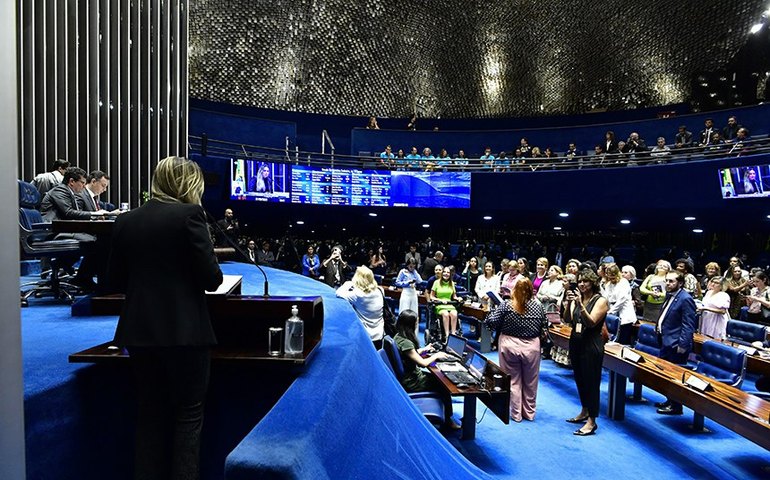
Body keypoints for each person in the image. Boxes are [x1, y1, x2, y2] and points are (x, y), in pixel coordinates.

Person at [106, 156, 223, 479]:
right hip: (186, 333)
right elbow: (211, 279)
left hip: (138, 332)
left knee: (150, 414)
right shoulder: (190, 215)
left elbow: (114, 280)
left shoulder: (126, 221)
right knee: (188, 414)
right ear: (189, 184)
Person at [484, 278, 546, 422]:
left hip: (509, 345)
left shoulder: (506, 305)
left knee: (513, 380)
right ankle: (529, 414)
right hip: (531, 347)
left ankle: (516, 414)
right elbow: (545, 326)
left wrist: (493, 310)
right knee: (531, 381)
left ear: (514, 290)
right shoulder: (539, 306)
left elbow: (490, 322)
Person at [392, 310, 460, 430]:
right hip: (412, 381)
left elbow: (408, 354)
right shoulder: (407, 343)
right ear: (410, 325)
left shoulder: (398, 337)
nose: (417, 323)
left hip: (409, 375)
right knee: (444, 385)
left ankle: (445, 414)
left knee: (438, 378)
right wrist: (436, 355)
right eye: (416, 321)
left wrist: (424, 349)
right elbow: (423, 363)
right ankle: (448, 420)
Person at [40, 166, 104, 290]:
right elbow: (69, 213)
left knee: (97, 240)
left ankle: (69, 269)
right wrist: (94, 214)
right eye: (82, 183)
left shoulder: (68, 192)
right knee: (97, 243)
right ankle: (82, 278)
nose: (84, 186)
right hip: (53, 233)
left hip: (61, 230)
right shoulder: (60, 191)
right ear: (71, 181)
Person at [564, 269, 609, 435]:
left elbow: (591, 323)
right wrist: (569, 303)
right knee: (580, 379)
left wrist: (581, 306)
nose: (582, 284)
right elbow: (568, 319)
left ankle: (592, 421)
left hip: (592, 344)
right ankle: (584, 411)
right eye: (580, 281)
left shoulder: (601, 300)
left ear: (593, 283)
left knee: (591, 383)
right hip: (576, 342)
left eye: (586, 282)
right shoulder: (577, 298)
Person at [655, 271, 697, 415]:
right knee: (666, 375)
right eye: (666, 281)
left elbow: (688, 324)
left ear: (680, 283)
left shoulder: (685, 299)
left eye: (671, 281)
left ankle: (676, 406)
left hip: (676, 345)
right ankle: (670, 400)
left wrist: (683, 345)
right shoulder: (671, 296)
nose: (667, 284)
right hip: (666, 341)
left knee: (675, 376)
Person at [336, 266, 385, 347]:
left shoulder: (357, 295)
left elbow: (338, 293)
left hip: (365, 336)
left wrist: (347, 284)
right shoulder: (380, 290)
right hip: (379, 334)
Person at [601, 263, 636, 344]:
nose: (611, 279)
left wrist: (610, 312)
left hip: (624, 315)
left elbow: (622, 300)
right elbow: (605, 298)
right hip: (612, 314)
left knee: (622, 341)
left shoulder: (624, 282)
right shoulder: (608, 284)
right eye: (609, 277)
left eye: (613, 277)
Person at [431, 266, 462, 339]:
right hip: (440, 305)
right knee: (446, 314)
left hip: (449, 304)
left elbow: (454, 296)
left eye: (448, 272)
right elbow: (432, 297)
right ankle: (447, 335)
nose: (446, 274)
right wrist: (440, 300)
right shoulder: (436, 282)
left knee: (454, 313)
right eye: (444, 272)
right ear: (442, 273)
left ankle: (453, 334)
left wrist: (458, 298)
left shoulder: (452, 283)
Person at [394, 257, 422, 336]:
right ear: (407, 265)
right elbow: (397, 282)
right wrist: (407, 283)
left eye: (414, 266)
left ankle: (413, 334)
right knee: (404, 312)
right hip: (406, 292)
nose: (412, 267)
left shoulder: (415, 272)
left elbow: (420, 281)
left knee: (414, 313)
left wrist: (415, 272)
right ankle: (402, 333)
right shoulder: (403, 271)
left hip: (413, 293)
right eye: (410, 266)